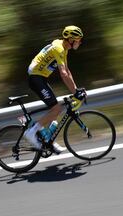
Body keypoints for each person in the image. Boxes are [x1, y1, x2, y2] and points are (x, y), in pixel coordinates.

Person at [25, 25, 87, 153]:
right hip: (36, 78)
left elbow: (68, 71)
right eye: (78, 39)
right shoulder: (59, 49)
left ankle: (48, 140)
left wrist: (76, 90)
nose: (80, 42)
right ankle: (31, 132)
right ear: (70, 39)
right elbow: (63, 74)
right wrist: (75, 93)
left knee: (56, 109)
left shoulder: (64, 48)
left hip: (40, 78)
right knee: (57, 108)